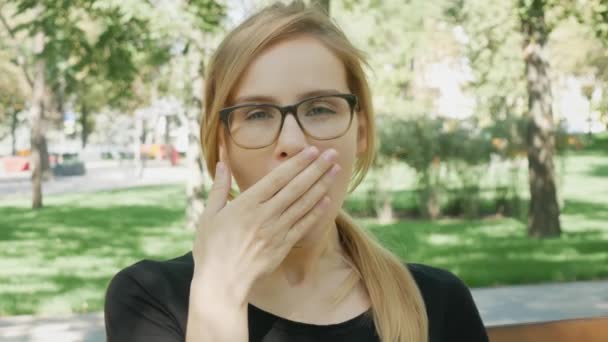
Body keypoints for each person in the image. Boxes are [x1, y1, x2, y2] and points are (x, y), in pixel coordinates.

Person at [104, 2, 489, 342]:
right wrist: (220, 291)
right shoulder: (151, 298)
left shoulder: (436, 301)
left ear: (362, 131)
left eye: (320, 109)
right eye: (257, 113)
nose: (293, 141)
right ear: (221, 145)